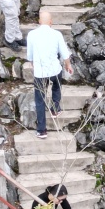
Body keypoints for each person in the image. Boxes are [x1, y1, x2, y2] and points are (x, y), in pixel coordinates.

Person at [26, 10, 73, 139]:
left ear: (39, 21)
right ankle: (55, 109)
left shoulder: (31, 34)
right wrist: (68, 65)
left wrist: (33, 64)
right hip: (54, 70)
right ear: (51, 22)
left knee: (40, 100)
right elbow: (65, 53)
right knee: (56, 86)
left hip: (40, 73)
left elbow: (29, 55)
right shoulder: (57, 34)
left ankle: (41, 130)